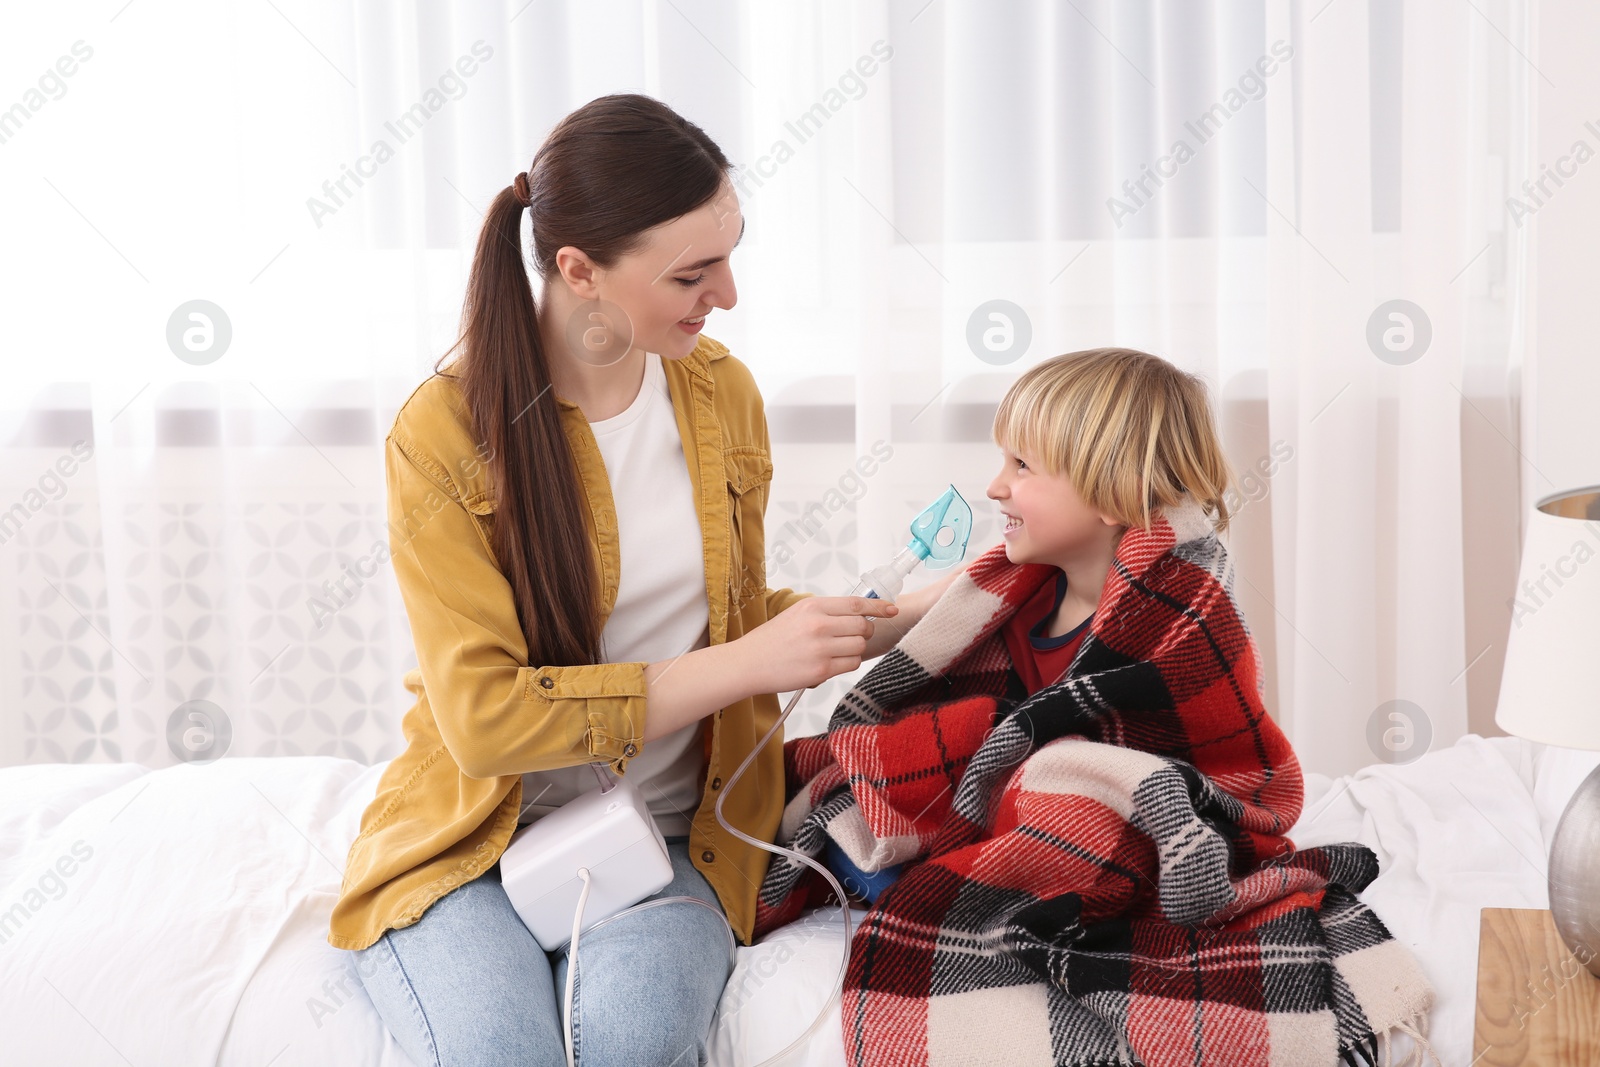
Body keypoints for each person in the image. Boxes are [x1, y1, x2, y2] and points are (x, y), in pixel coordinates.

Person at [325, 94, 957, 1067]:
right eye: (692, 274)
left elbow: (740, 624)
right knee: (502, 1052)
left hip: (665, 840)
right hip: (470, 844)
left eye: (730, 255)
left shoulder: (721, 396)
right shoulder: (444, 432)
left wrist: (909, 615)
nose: (728, 294)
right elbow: (486, 718)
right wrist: (747, 661)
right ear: (578, 271)